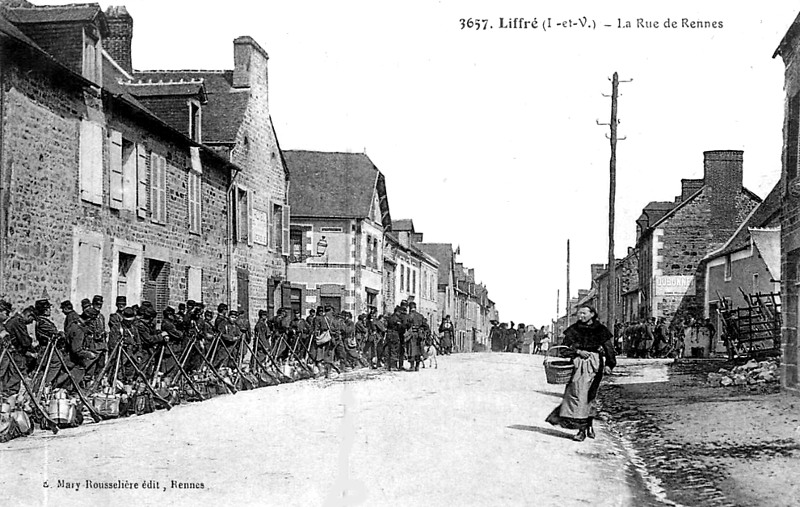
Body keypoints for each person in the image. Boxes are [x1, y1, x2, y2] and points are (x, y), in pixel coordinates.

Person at [546, 304, 616, 442]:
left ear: (592, 314)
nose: (581, 316)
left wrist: (609, 364)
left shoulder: (600, 330)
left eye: (584, 313)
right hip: (578, 365)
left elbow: (609, 349)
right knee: (578, 396)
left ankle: (587, 424)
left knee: (590, 396)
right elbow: (563, 349)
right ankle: (582, 430)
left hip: (595, 365)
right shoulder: (573, 330)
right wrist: (577, 352)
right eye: (579, 313)